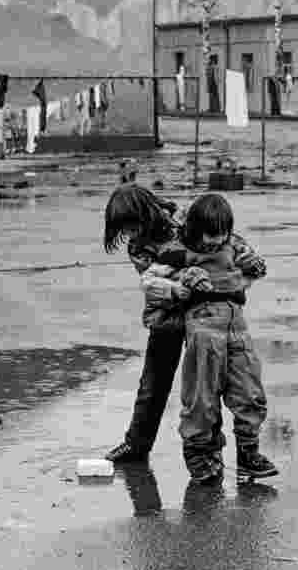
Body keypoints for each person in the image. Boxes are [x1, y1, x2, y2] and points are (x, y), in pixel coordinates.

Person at [140, 193, 278, 485]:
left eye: (222, 234)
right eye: (210, 235)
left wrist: (252, 270)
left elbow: (251, 270)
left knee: (249, 389)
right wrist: (179, 288)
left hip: (235, 326)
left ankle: (249, 454)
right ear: (195, 228)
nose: (216, 241)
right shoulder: (178, 251)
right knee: (202, 396)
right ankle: (201, 456)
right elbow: (150, 281)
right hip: (203, 332)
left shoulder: (234, 244)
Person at [101, 183, 188, 463]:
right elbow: (157, 282)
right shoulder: (138, 247)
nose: (130, 233)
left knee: (207, 382)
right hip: (167, 314)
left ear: (145, 212)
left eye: (132, 225)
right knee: (152, 384)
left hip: (206, 311)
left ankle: (209, 448)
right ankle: (136, 444)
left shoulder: (184, 220)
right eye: (124, 229)